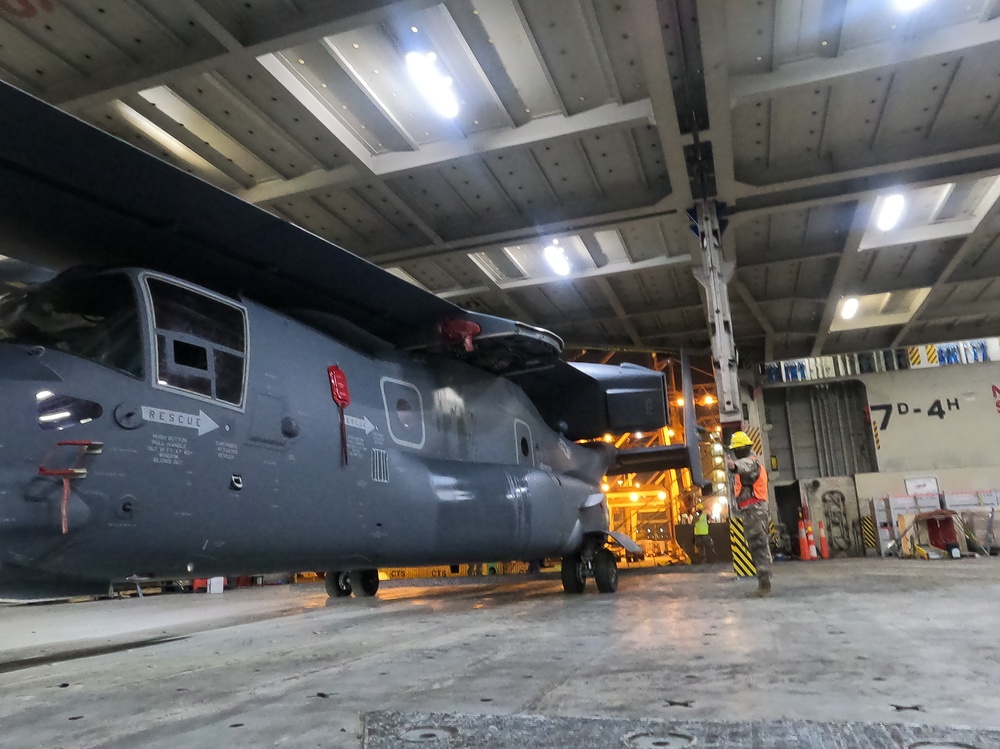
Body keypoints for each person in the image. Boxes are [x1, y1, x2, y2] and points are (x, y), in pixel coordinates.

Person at [727, 431, 772, 596]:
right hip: (751, 511)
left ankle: (764, 585)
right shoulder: (750, 463)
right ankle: (763, 583)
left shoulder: (751, 463)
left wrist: (733, 466)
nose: (735, 452)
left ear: (743, 448)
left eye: (737, 449)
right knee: (756, 545)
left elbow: (744, 465)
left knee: (759, 545)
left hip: (755, 511)